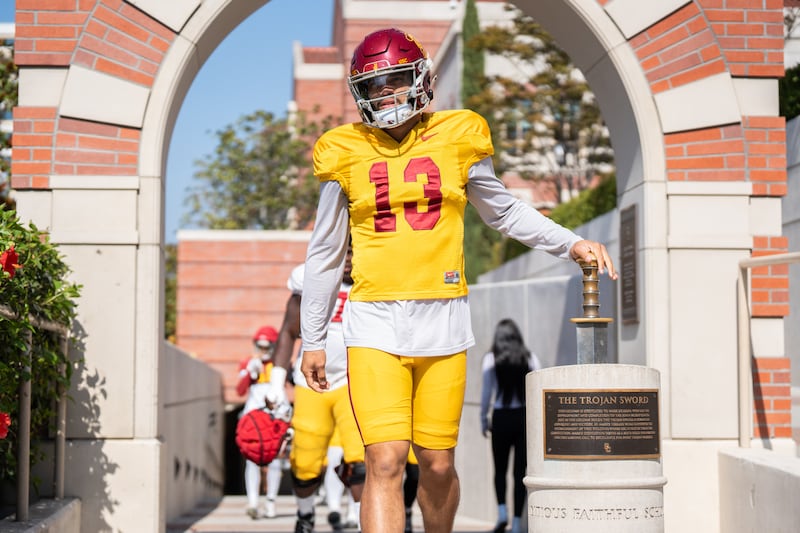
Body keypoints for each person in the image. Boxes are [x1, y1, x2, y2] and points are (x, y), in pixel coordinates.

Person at [270, 27, 617, 533]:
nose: (385, 95)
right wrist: (315, 339)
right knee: (383, 461)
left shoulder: (459, 134)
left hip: (444, 319)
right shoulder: (343, 149)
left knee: (435, 467)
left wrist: (568, 243)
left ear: (420, 78)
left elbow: (502, 212)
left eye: (393, 82)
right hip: (374, 322)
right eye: (373, 87)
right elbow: (324, 255)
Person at [271, 249, 365, 533]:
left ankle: (364, 520)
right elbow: (288, 331)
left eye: (354, 250)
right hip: (312, 381)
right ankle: (305, 515)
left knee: (362, 461)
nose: (348, 258)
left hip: (355, 381)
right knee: (306, 460)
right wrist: (276, 384)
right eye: (344, 251)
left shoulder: (373, 279)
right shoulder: (310, 280)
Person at [480, 319, 540, 533]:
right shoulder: (529, 357)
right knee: (519, 472)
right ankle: (516, 523)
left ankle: (502, 512)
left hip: (501, 417)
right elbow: (537, 387)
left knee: (500, 469)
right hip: (523, 417)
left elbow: (486, 393)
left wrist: (482, 419)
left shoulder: (490, 359)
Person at [235, 325, 285, 519]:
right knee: (252, 459)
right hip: (254, 418)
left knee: (274, 461)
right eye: (260, 346)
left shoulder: (278, 364)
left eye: (267, 347)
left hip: (274, 417)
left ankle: (270, 501)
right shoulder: (249, 362)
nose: (263, 351)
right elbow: (239, 391)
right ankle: (253, 502)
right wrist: (249, 373)